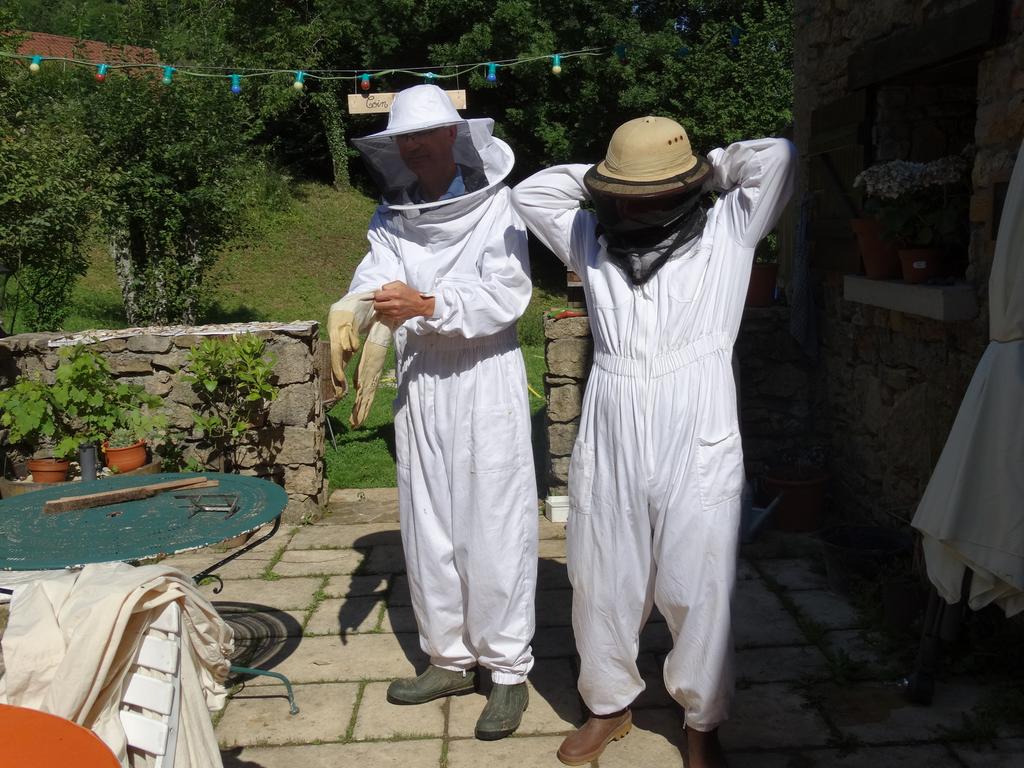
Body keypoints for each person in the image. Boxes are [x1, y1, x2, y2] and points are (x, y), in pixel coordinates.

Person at [511, 117, 795, 767]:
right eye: (629, 195)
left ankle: (702, 720)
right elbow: (531, 194)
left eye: (655, 192)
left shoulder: (729, 227)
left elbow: (778, 157)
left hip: (696, 415)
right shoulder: (590, 236)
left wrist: (708, 170)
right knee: (601, 573)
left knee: (700, 580)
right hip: (612, 414)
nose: (642, 206)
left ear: (686, 187)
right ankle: (608, 704)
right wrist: (612, 175)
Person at [327, 84, 538, 741]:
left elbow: (507, 294)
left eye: (425, 135)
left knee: (493, 524)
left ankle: (507, 669)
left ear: (454, 135)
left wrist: (427, 304)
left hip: (482, 377)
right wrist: (351, 309)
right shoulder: (391, 216)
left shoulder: (499, 206)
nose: (414, 148)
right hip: (420, 380)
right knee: (429, 523)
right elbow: (375, 277)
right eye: (404, 139)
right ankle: (449, 658)